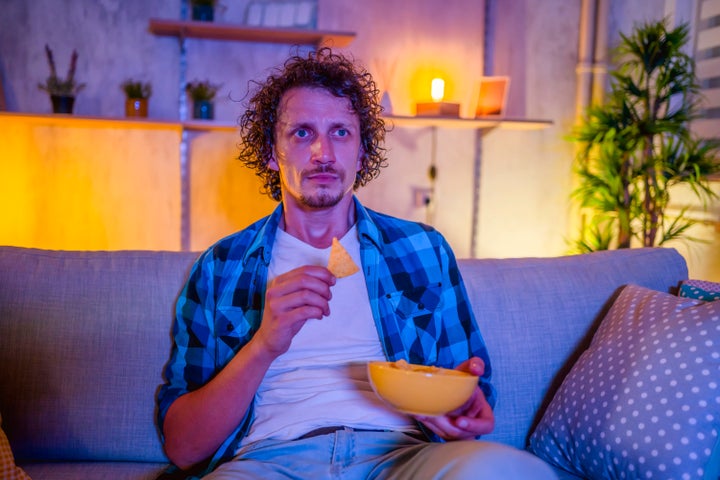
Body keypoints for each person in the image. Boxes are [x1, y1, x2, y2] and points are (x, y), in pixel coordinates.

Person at [156, 48, 557, 480]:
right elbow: (184, 447)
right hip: (269, 462)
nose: (323, 152)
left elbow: (473, 399)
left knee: (510, 472)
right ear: (273, 152)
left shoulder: (423, 249)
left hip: (403, 458)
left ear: (362, 153)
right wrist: (264, 344)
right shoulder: (222, 267)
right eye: (303, 133)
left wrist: (460, 408)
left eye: (341, 132)